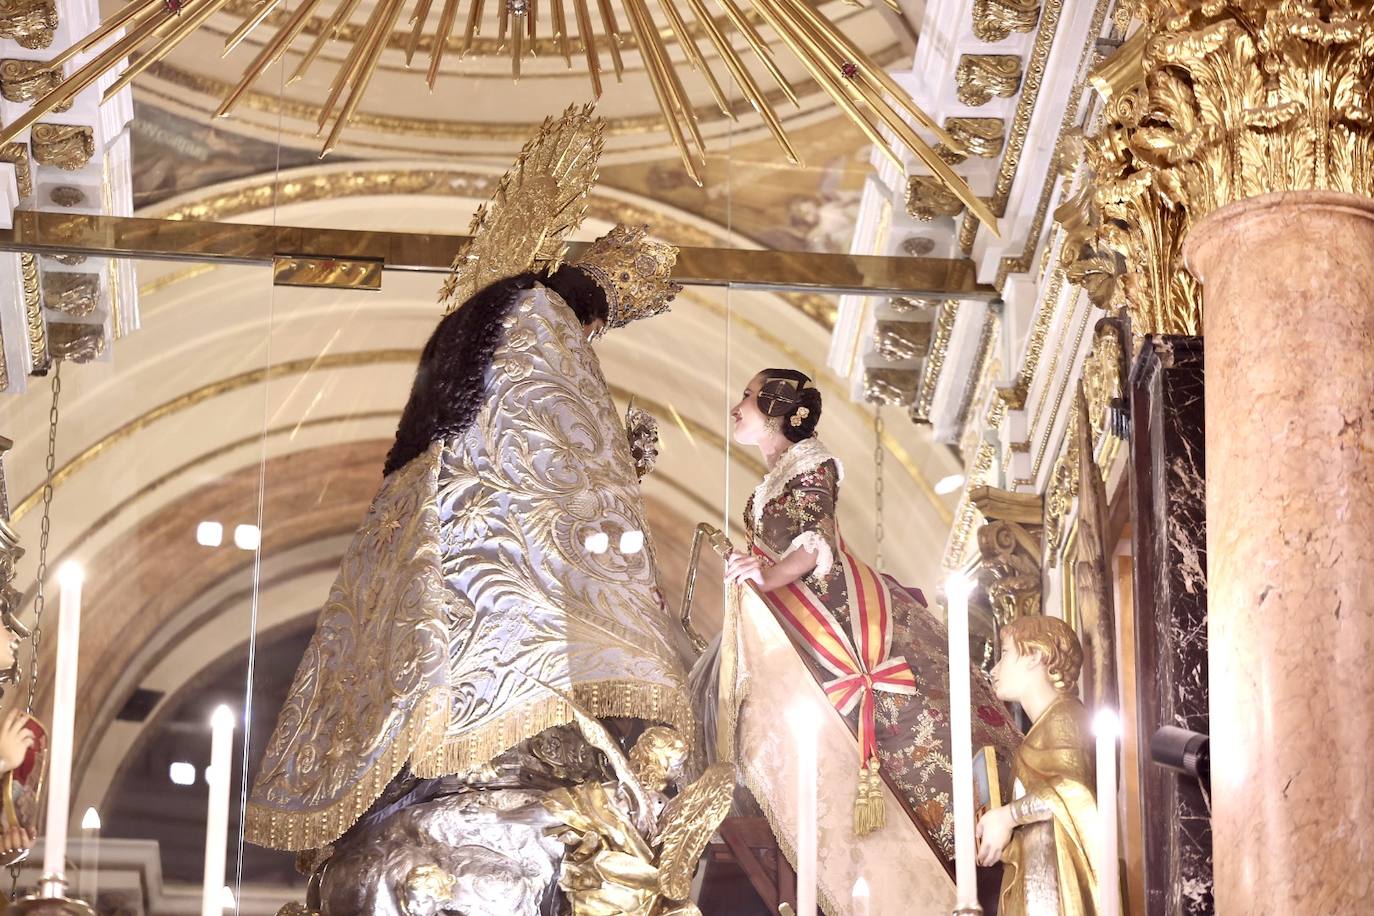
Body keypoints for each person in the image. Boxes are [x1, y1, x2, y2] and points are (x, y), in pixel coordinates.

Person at [706, 368, 1021, 908]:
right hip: (797, 618)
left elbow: (813, 544)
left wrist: (768, 574)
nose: (738, 407)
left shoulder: (814, 467)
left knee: (885, 717)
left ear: (781, 413)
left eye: (749, 397)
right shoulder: (777, 475)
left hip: (834, 617)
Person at [975, 614, 1101, 916]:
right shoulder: (1045, 726)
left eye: (1005, 654)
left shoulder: (1066, 717)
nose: (995, 669)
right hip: (1038, 878)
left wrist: (1008, 816)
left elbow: (1072, 790)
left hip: (1053, 885)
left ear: (1035, 655)